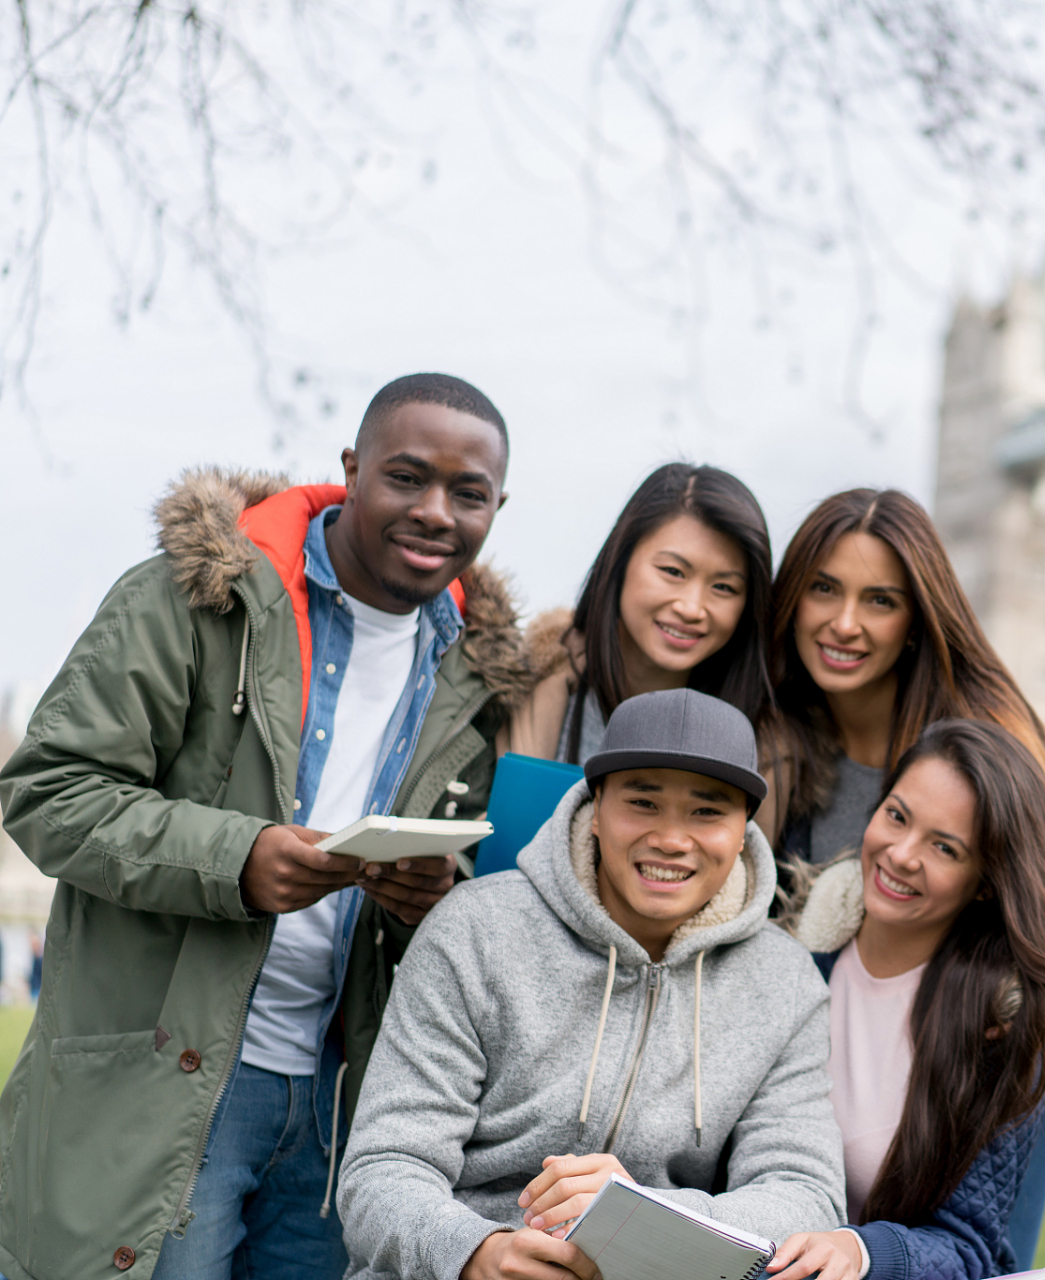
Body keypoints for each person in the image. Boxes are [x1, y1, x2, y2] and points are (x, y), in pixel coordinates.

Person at [0, 373, 528, 1279]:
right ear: (352, 470)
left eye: (468, 493)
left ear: (497, 505)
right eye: (407, 477)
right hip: (176, 1082)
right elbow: (49, 791)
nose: (437, 511)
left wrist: (422, 899)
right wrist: (235, 859)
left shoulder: (475, 676)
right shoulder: (196, 598)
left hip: (342, 1111)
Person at [337, 689, 845, 1280]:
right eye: (643, 802)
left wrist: (645, 1219)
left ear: (743, 832)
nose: (672, 839)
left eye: (708, 811)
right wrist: (476, 1253)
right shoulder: (474, 929)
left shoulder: (783, 982)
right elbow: (383, 1166)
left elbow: (806, 1195)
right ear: (595, 807)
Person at [759, 487, 1045, 1263]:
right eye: (823, 588)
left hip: (964, 1035)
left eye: (878, 600)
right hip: (841, 1017)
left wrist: (1037, 1005)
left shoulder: (985, 739)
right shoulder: (780, 728)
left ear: (916, 616)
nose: (844, 623)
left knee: (962, 1248)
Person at [771, 719, 1045, 1280]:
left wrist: (860, 1251)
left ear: (986, 881)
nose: (901, 854)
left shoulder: (1003, 1023)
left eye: (944, 847)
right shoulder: (787, 965)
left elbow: (968, 1244)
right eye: (896, 816)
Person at [505, 462, 774, 764]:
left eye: (724, 587)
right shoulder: (512, 685)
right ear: (620, 561)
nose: (691, 608)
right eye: (672, 571)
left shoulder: (768, 743)